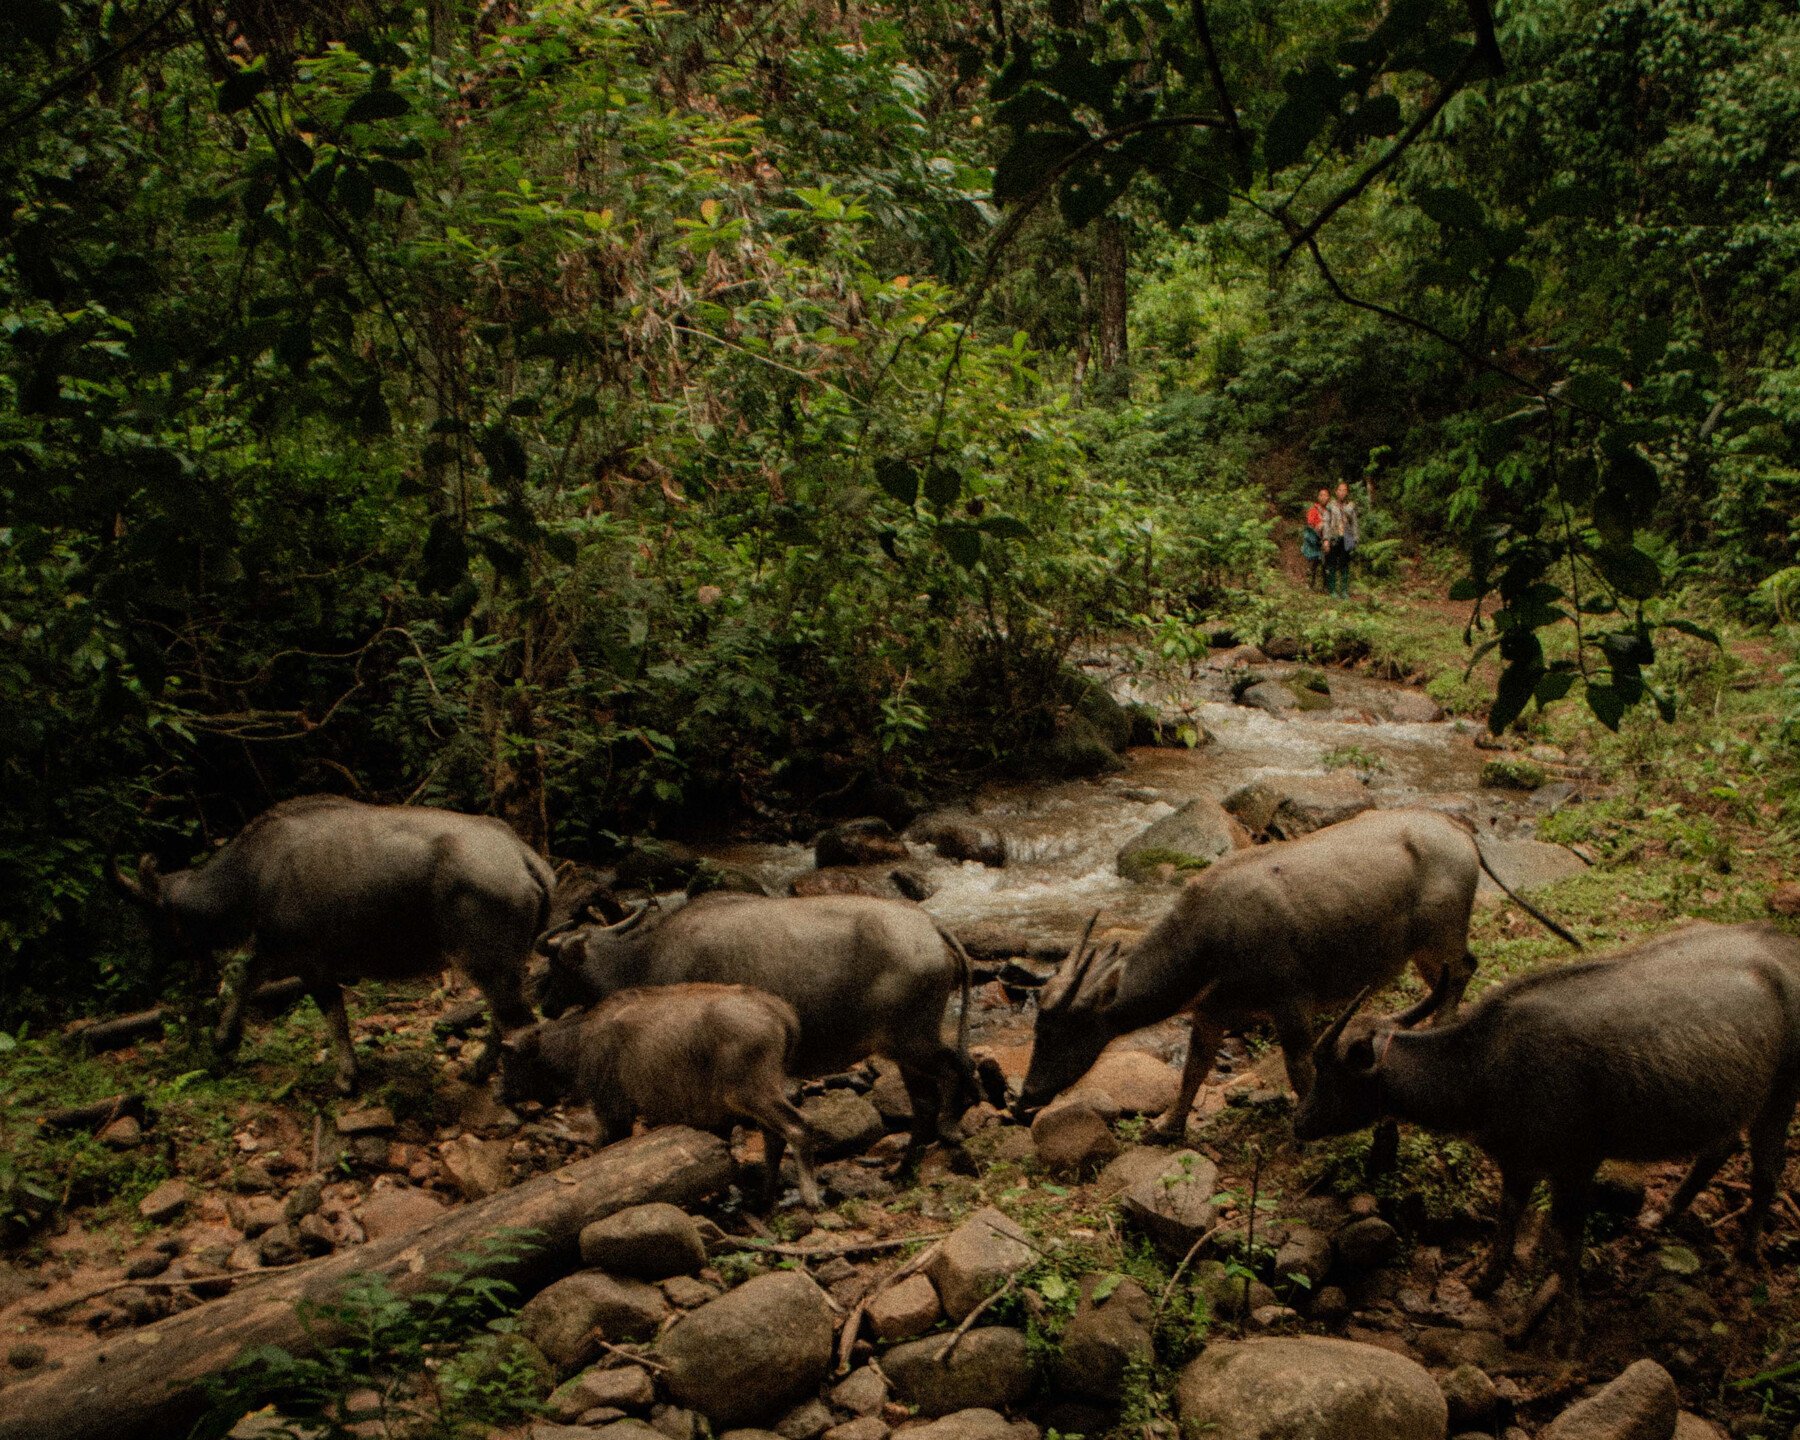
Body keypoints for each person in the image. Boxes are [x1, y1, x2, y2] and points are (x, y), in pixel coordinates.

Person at [1322, 480, 1360, 598]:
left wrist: (1355, 538)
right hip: (1334, 537)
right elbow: (1326, 523)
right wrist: (1326, 539)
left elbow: (1354, 523)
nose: (1342, 492)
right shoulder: (1330, 506)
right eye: (1340, 490)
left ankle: (1344, 590)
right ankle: (1332, 590)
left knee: (1345, 564)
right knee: (1332, 563)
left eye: (1344, 490)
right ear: (1336, 491)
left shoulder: (1350, 506)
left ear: (1347, 492)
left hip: (1347, 538)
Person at [1302, 487, 1328, 590]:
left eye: (1325, 495)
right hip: (1314, 540)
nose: (1323, 497)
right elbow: (1310, 525)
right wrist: (1318, 526)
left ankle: (1325, 586)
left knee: (1325, 564)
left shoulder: (1329, 511)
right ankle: (1310, 584)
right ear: (1318, 497)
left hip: (1325, 540)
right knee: (1313, 562)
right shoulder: (1313, 510)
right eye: (1321, 495)